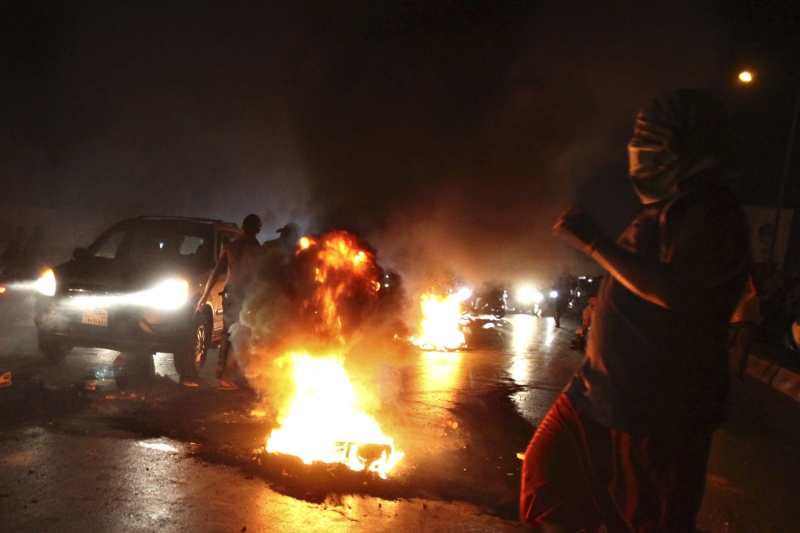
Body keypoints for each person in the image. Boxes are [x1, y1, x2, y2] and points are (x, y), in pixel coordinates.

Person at [521, 89, 750, 532]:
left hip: (657, 409)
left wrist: (595, 243)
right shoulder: (666, 207)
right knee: (549, 484)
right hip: (597, 393)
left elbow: (680, 291)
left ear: (686, 146)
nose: (637, 148)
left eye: (650, 138)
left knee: (645, 520)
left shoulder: (713, 213)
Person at [196, 214, 263, 390]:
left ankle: (221, 369)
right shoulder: (256, 248)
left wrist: (204, 297)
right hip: (244, 294)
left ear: (243, 227)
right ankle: (227, 379)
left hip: (228, 293)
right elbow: (260, 276)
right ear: (257, 230)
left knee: (227, 331)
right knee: (240, 333)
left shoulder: (230, 247)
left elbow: (215, 273)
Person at [730, 273, 759, 377]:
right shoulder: (738, 286)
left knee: (743, 347)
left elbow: (757, 292)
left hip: (748, 319)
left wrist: (751, 278)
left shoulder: (755, 287)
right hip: (734, 319)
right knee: (727, 343)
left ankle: (739, 370)